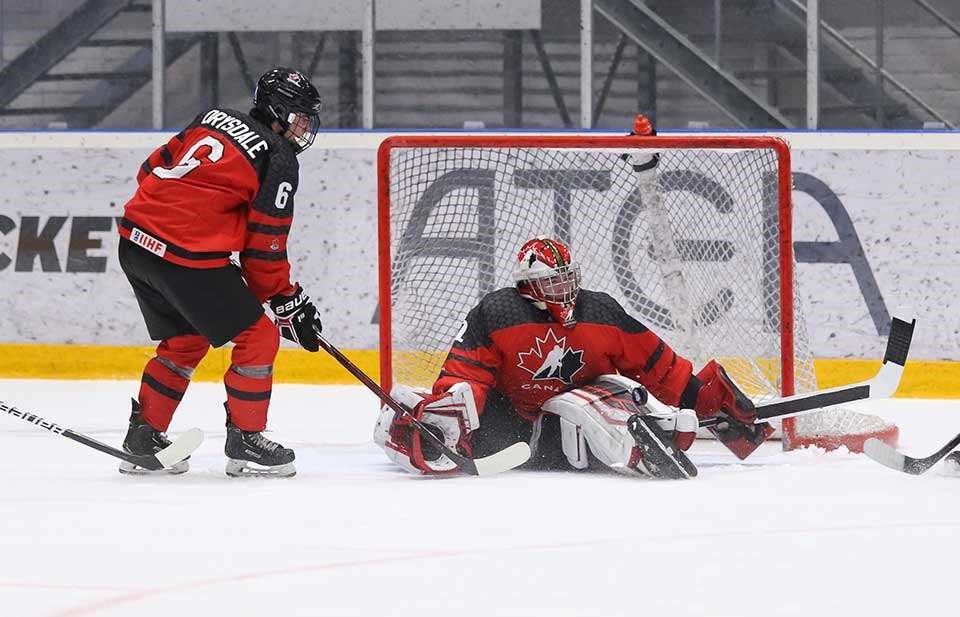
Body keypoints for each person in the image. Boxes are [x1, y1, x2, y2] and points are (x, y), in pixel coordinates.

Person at [375, 236, 770, 478]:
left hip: (571, 423)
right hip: (510, 424)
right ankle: (644, 437)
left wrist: (704, 401)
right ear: (529, 284)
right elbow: (467, 375)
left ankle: (652, 432)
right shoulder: (498, 312)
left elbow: (655, 363)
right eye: (553, 280)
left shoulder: (600, 310)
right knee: (573, 411)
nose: (564, 287)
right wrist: (448, 425)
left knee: (600, 395)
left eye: (567, 277)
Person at [116, 67, 324, 477]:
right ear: (277, 110)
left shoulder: (210, 117)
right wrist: (285, 298)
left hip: (135, 241)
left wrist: (203, 231)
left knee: (186, 338)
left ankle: (144, 434)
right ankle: (246, 438)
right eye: (299, 115)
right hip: (183, 256)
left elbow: (150, 170)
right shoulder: (278, 157)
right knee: (259, 336)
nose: (303, 126)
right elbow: (265, 247)